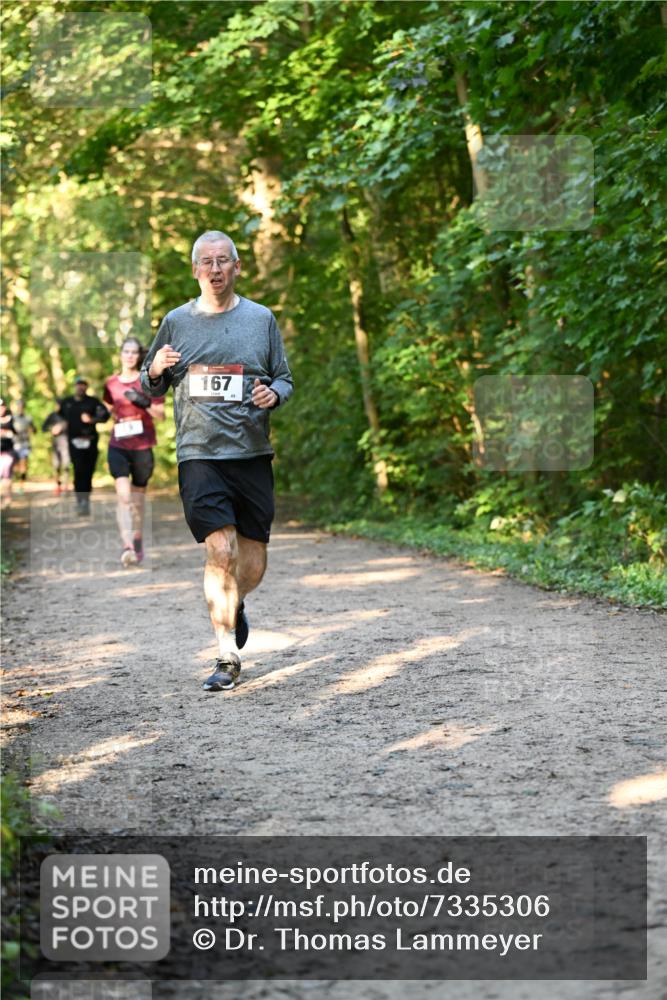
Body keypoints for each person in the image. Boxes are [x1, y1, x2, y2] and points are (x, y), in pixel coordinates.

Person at [140, 229, 293, 692]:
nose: (215, 269)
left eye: (223, 260)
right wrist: (154, 369)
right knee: (220, 550)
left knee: (251, 564)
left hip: (250, 452)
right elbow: (150, 385)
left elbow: (284, 379)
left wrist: (273, 394)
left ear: (237, 266)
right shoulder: (176, 321)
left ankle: (236, 602)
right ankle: (226, 654)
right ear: (195, 269)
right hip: (199, 453)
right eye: (206, 262)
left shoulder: (261, 319)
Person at [104, 337, 165, 567]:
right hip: (118, 445)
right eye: (125, 351)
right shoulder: (110, 383)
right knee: (124, 497)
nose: (129, 355)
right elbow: (109, 410)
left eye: (133, 352)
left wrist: (142, 402)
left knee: (137, 501)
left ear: (139, 356)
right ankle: (127, 546)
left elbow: (161, 415)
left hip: (142, 446)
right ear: (120, 354)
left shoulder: (149, 382)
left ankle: (137, 539)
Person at [58, 376, 109, 515]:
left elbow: (105, 416)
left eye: (84, 384)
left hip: (90, 441)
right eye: (78, 384)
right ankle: (80, 501)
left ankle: (85, 499)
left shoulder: (93, 402)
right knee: (78, 470)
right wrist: (58, 426)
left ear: (86, 387)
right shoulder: (67, 402)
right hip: (74, 442)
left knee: (88, 471)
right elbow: (58, 417)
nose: (81, 387)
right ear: (74, 386)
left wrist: (92, 420)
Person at [42, 401, 70, 495]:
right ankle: (58, 485)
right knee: (56, 466)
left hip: (66, 444)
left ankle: (65, 486)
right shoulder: (52, 416)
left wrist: (63, 427)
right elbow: (43, 427)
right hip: (56, 445)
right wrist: (52, 429)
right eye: (58, 405)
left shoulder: (68, 415)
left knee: (66, 465)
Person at [12, 399, 36, 491]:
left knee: (23, 463)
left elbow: (34, 429)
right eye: (19, 406)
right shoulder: (13, 418)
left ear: (24, 407)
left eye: (22, 406)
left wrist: (32, 430)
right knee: (15, 466)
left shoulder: (28, 418)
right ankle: (16, 481)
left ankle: (21, 486)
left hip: (25, 443)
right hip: (15, 444)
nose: (20, 408)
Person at [0, 398, 16, 508]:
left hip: (8, 452)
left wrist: (6, 432)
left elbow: (15, 433)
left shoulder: (10, 419)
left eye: (2, 406)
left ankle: (7, 498)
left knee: (6, 474)